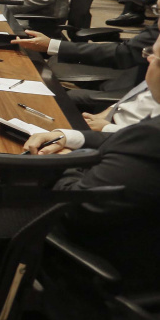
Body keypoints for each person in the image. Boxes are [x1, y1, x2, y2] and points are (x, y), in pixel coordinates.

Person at [23, 32, 160, 287]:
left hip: (101, 265)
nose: (148, 62)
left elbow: (77, 207)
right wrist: (69, 137)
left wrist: (69, 160)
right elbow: (124, 143)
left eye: (154, 58)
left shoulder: (152, 136)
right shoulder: (148, 133)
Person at [13, 22, 158, 113]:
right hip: (135, 72)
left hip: (137, 82)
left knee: (62, 96)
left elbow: (125, 53)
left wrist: (51, 45)